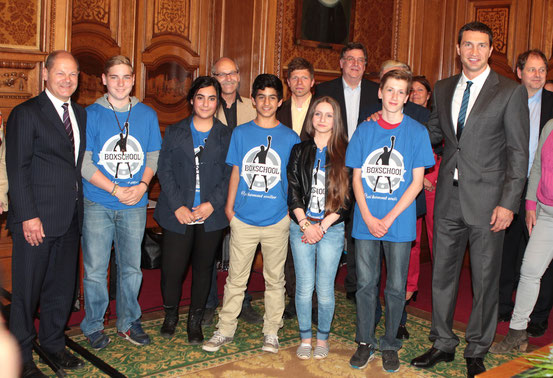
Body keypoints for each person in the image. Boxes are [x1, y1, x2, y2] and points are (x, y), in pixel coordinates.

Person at [410, 22, 529, 378]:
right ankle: (442, 343)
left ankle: (477, 349)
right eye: (467, 45)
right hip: (447, 199)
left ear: (490, 50)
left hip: (490, 203)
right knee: (442, 277)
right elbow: (432, 133)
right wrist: (392, 125)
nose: (474, 51)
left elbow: (518, 153)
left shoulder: (510, 91)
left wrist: (509, 203)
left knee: (485, 279)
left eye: (481, 45)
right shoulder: (444, 88)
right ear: (458, 48)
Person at [203, 74, 300, 354]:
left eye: (272, 97)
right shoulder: (241, 133)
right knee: (236, 278)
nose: (267, 102)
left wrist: (287, 215)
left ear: (280, 101)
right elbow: (236, 170)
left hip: (276, 220)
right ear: (254, 100)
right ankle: (225, 329)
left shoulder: (291, 137)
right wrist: (230, 210)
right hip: (243, 218)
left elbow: (292, 180)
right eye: (261, 97)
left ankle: (271, 331)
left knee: (275, 279)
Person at [346, 69, 434, 373]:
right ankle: (365, 341)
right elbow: (356, 178)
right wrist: (370, 217)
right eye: (390, 90)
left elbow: (417, 182)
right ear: (380, 93)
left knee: (396, 287)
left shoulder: (417, 132)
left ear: (408, 97)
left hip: (399, 221)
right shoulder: (364, 130)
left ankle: (390, 343)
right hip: (366, 220)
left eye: (401, 92)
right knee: (366, 284)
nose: (395, 97)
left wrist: (389, 217)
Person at [7, 50, 86, 376]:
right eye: (61, 73)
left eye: (73, 74)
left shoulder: (79, 113)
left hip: (69, 219)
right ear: (45, 74)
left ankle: (53, 345)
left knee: (60, 290)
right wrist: (27, 216)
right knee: (27, 295)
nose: (68, 80)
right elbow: (18, 168)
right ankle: (21, 360)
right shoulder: (26, 113)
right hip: (36, 222)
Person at [79, 55, 162, 350]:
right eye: (114, 77)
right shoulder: (89, 114)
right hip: (99, 202)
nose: (120, 83)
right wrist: (116, 189)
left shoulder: (147, 115)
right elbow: (85, 164)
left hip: (135, 202)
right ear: (103, 79)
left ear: (133, 80)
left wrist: (142, 186)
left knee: (131, 268)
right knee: (95, 269)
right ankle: (93, 325)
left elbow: (152, 155)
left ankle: (128, 322)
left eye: (126, 77)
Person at [154, 76, 232, 344]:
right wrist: (177, 206)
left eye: (212, 98)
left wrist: (212, 204)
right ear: (191, 100)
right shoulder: (175, 131)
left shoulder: (226, 134)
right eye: (200, 97)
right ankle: (171, 316)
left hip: (210, 216)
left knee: (203, 268)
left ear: (218, 102)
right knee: (172, 270)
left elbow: (230, 173)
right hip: (178, 213)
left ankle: (195, 321)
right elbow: (163, 169)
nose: (206, 103)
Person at [314, 42, 379, 302]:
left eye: (360, 60)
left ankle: (353, 285)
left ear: (365, 66)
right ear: (341, 63)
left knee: (357, 225)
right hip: (333, 166)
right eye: (350, 59)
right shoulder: (324, 90)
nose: (355, 64)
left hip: (365, 168)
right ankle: (320, 286)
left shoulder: (377, 93)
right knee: (329, 220)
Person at [287, 96, 351, 360]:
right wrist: (305, 224)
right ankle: (305, 337)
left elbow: (348, 199)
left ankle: (322, 339)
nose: (322, 120)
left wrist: (321, 227)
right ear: (311, 119)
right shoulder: (299, 150)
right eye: (318, 114)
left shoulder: (347, 152)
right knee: (303, 287)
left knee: (324, 288)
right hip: (301, 226)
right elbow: (292, 191)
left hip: (331, 229)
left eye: (328, 115)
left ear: (336, 121)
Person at [497, 49, 553, 338]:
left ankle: (539, 314)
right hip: (510, 185)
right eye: (531, 69)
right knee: (506, 249)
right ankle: (503, 304)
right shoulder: (506, 100)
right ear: (519, 72)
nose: (537, 75)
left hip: (544, 191)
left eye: (542, 70)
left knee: (543, 256)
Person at [204, 57, 261, 326]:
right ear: (213, 76)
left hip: (247, 188)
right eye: (221, 74)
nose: (227, 78)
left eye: (232, 73)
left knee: (243, 249)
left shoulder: (253, 107)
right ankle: (207, 303)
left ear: (239, 76)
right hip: (212, 187)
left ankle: (243, 301)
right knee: (211, 249)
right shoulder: (205, 105)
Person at [489, 117, 553, 354]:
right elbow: (536, 165)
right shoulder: (550, 126)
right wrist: (530, 204)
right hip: (546, 214)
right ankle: (517, 333)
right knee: (529, 271)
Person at [276, 57, 316, 320]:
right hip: (283, 185)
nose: (299, 82)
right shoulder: (279, 111)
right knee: (291, 245)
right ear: (288, 83)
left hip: (316, 185)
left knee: (314, 243)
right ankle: (293, 297)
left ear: (313, 81)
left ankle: (313, 302)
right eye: (294, 78)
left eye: (305, 78)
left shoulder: (324, 109)